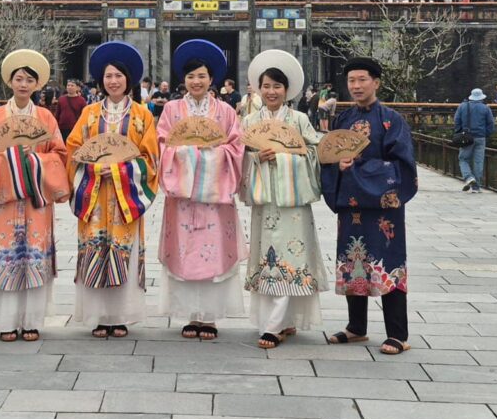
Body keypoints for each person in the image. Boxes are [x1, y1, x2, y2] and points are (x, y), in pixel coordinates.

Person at [321, 57, 417, 355]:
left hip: (383, 211)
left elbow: (402, 167)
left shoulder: (391, 120)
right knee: (355, 264)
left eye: (362, 80)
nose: (356, 86)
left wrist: (359, 167)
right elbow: (327, 159)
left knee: (389, 265)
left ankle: (398, 334)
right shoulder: (343, 120)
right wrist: (338, 164)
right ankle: (356, 327)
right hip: (352, 208)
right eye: (351, 81)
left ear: (376, 82)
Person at [66, 42, 159, 339]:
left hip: (125, 199)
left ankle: (119, 316)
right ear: (101, 80)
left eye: (119, 75)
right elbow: (74, 151)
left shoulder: (143, 116)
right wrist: (93, 169)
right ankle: (98, 315)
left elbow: (150, 159)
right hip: (94, 195)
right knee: (95, 248)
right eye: (108, 76)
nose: (113, 81)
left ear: (128, 80)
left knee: (123, 252)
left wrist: (120, 170)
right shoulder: (90, 114)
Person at [0, 50, 70, 342]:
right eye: (18, 78)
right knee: (7, 255)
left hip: (35, 199)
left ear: (37, 84)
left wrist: (34, 160)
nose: (23, 84)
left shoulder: (45, 117)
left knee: (34, 255)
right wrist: (7, 158)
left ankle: (32, 321)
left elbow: (60, 153)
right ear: (10, 82)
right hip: (6, 201)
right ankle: (5, 321)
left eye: (29, 79)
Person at [157, 40, 246, 340]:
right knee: (184, 252)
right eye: (191, 76)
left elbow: (236, 148)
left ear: (212, 80)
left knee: (213, 253)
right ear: (184, 80)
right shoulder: (171, 110)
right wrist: (191, 153)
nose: (196, 81)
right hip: (182, 198)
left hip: (214, 198)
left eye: (202, 76)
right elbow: (162, 146)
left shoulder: (225, 112)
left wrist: (209, 154)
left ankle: (208, 317)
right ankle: (189, 315)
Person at [241, 50, 328, 349]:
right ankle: (281, 320)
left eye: (277, 86)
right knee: (269, 256)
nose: (271, 91)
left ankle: (276, 324)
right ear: (258, 88)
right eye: (266, 86)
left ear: (287, 90)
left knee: (292, 257)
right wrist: (255, 157)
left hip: (293, 202)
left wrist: (286, 156)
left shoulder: (300, 119)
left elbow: (314, 154)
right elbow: (241, 155)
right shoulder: (250, 120)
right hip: (266, 198)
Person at [454, 88, 495, 193]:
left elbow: (457, 121)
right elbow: (491, 124)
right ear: (481, 97)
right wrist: (486, 134)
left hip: (467, 137)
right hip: (481, 137)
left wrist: (459, 132)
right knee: (478, 161)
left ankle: (468, 177)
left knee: (463, 159)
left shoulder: (462, 106)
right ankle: (476, 187)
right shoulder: (486, 108)